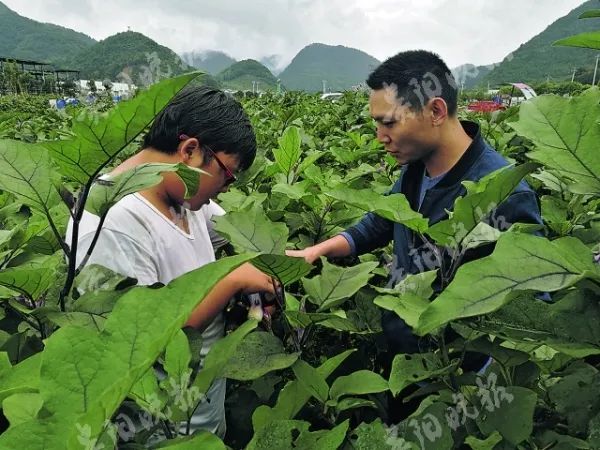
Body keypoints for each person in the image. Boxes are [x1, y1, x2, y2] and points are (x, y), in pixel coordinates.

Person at [287, 50, 541, 381]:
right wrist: (318, 250)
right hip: (405, 364)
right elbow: (381, 221)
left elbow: (532, 304)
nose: (380, 137)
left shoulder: (505, 192)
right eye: (376, 123)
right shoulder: (415, 169)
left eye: (388, 122)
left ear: (435, 110)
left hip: (459, 377)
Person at [67, 85, 276, 438]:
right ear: (190, 150)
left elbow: (236, 240)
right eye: (227, 174)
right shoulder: (109, 222)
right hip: (156, 425)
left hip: (200, 409)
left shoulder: (181, 196)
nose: (226, 187)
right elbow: (139, 339)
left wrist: (260, 278)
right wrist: (233, 282)